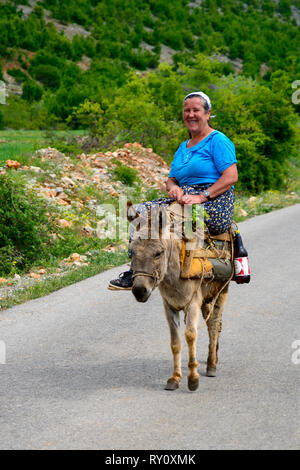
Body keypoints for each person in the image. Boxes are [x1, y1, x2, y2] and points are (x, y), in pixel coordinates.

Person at [108, 91, 238, 290]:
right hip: (185, 198)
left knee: (166, 218)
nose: (191, 114)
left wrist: (201, 196)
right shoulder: (183, 147)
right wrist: (174, 188)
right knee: (138, 213)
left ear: (207, 113)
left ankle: (163, 270)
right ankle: (137, 271)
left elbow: (231, 177)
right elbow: (171, 179)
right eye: (187, 110)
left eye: (196, 110)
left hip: (214, 201)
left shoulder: (217, 141)